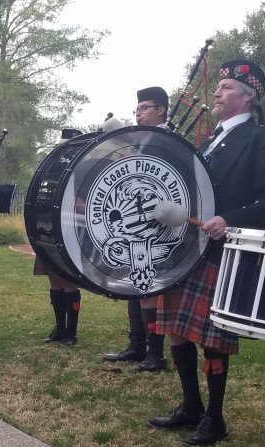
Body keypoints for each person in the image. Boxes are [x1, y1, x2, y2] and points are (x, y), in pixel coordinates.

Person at [148, 61, 265, 446]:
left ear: (249, 95)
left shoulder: (264, 139)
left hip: (223, 250)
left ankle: (215, 417)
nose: (218, 92)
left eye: (226, 87)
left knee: (212, 338)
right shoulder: (209, 141)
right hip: (187, 247)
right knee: (177, 329)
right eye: (219, 86)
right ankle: (190, 406)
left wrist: (229, 219)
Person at [104, 86, 171, 372]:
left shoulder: (167, 143)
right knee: (135, 283)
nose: (138, 114)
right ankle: (137, 346)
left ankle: (155, 354)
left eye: (144, 108)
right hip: (136, 224)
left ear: (161, 110)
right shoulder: (143, 143)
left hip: (157, 226)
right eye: (137, 109)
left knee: (149, 287)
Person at [34, 128, 84, 346]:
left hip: (70, 231)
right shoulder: (53, 170)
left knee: (69, 282)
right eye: (62, 145)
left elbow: (86, 203)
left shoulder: (83, 170)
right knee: (54, 279)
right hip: (49, 229)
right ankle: (59, 329)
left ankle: (71, 333)